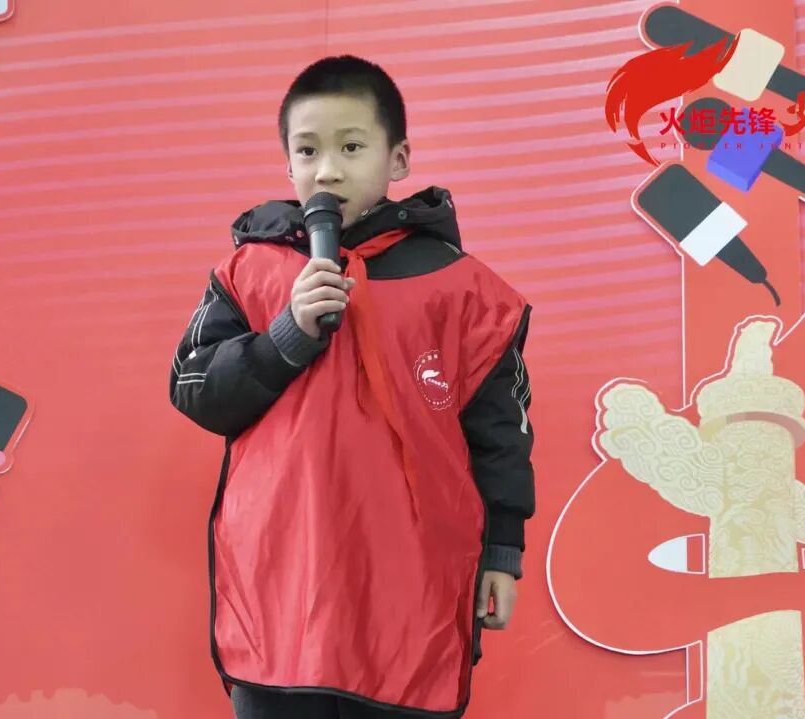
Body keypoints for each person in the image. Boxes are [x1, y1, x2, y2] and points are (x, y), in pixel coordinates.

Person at [169, 55, 535, 719]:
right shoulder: (249, 271)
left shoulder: (463, 290)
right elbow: (195, 388)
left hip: (411, 594)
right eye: (307, 150)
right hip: (278, 595)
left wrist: (502, 552)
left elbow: (500, 435)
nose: (328, 170)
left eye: (351, 147)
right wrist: (286, 337)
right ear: (287, 165)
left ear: (398, 159)